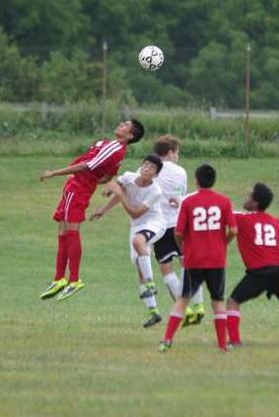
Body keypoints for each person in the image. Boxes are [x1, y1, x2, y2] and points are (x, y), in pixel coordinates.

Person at [38, 119, 144, 301]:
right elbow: (109, 175)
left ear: (130, 136)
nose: (120, 124)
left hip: (78, 188)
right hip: (75, 186)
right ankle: (59, 279)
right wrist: (91, 181)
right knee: (63, 230)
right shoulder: (108, 144)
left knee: (71, 231)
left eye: (126, 125)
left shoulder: (116, 149)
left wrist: (54, 173)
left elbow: (87, 166)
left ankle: (74, 280)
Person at [159, 164, 238, 352]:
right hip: (217, 259)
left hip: (194, 259)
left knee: (183, 299)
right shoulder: (224, 201)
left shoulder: (188, 202)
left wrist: (184, 250)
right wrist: (223, 244)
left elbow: (178, 233)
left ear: (196, 180)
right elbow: (234, 230)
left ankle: (167, 341)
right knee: (218, 301)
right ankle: (222, 345)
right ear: (214, 180)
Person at [226, 183, 279, 346]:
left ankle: (234, 341)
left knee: (232, 301)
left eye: (249, 196)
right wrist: (274, 253)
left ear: (255, 203)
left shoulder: (242, 218)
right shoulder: (274, 221)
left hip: (260, 271)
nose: (246, 198)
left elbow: (223, 213)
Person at [90, 154, 166, 328]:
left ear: (155, 175)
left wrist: (118, 192)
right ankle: (154, 312)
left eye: (152, 168)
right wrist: (105, 205)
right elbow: (117, 187)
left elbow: (135, 212)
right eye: (145, 165)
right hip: (137, 226)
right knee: (140, 266)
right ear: (141, 166)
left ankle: (152, 284)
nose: (147, 169)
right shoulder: (129, 177)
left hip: (154, 223)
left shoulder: (155, 191)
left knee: (138, 242)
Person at [150, 135, 205, 326]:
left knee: (166, 270)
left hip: (160, 226)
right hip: (180, 225)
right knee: (188, 265)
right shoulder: (181, 172)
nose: (178, 156)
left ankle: (185, 311)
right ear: (170, 152)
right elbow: (180, 195)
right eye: (177, 152)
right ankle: (199, 306)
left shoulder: (152, 170)